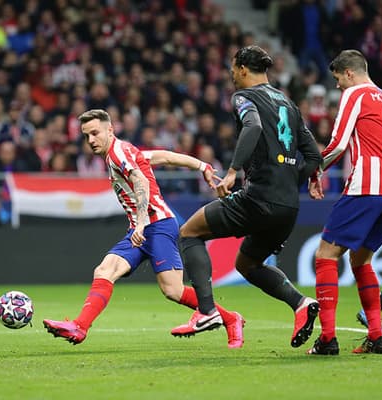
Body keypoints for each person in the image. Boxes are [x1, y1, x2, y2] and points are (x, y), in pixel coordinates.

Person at [42, 109, 246, 348]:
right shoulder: (123, 151)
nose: (91, 140)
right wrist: (201, 165)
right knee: (105, 270)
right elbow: (164, 157)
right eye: (86, 136)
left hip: (157, 225)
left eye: (95, 133)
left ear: (110, 130)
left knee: (173, 290)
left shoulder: (118, 153)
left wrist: (140, 223)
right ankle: (80, 326)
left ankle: (231, 319)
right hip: (142, 227)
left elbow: (140, 182)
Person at [173, 46, 323, 349]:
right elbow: (314, 155)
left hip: (258, 197)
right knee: (249, 263)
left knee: (189, 232)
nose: (230, 75)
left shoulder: (244, 97)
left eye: (232, 69)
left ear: (242, 69)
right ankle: (301, 303)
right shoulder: (288, 103)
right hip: (288, 205)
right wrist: (295, 175)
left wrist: (232, 171)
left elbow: (252, 125)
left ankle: (206, 312)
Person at [308, 49, 382, 355]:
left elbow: (338, 142)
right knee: (360, 260)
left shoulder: (356, 94)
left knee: (325, 255)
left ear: (349, 73)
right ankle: (376, 335)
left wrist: (315, 170)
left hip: (366, 186)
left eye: (337, 80)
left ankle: (328, 339)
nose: (337, 88)